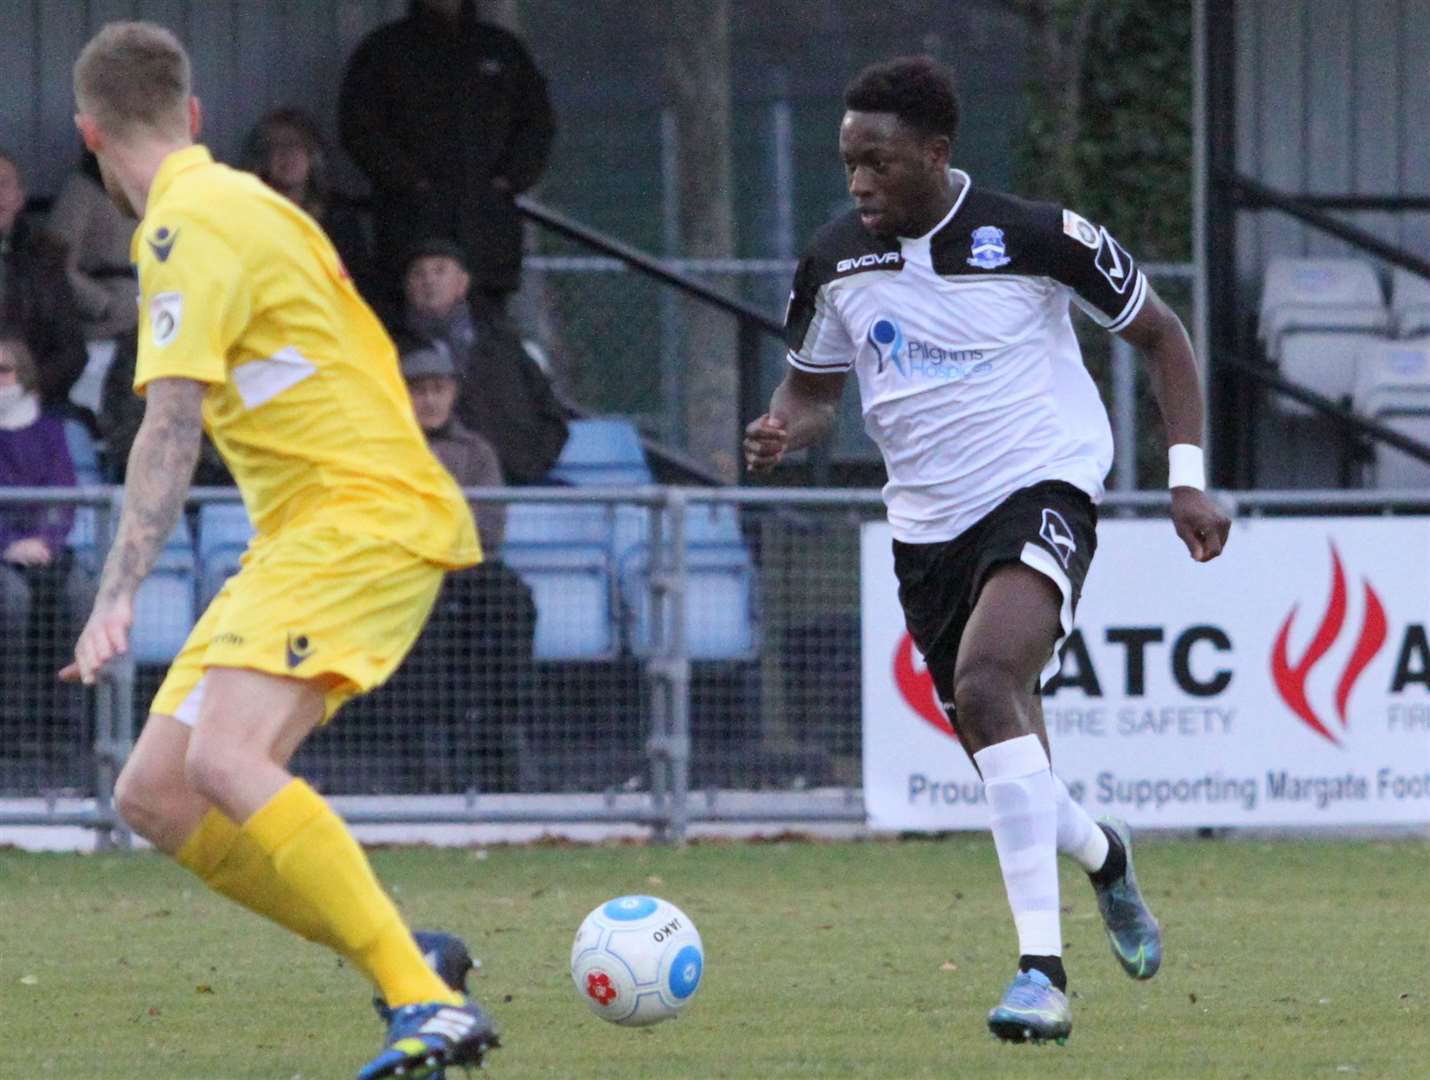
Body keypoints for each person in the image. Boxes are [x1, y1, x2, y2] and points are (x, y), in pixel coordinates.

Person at [744, 56, 1231, 1045]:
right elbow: (814, 390)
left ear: (935, 152)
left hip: (1040, 485)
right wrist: (779, 426)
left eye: (877, 162)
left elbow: (1164, 338)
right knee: (1006, 758)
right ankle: (1102, 857)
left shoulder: (1040, 236)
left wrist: (1184, 476)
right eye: (847, 163)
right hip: (925, 530)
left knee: (987, 677)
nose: (858, 183)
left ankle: (1039, 974)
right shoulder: (835, 260)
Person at [64, 22, 497, 1078]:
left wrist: (114, 592)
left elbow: (171, 423)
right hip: (308, 530)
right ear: (196, 117)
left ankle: (420, 1001)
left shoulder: (180, 227)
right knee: (156, 794)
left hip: (358, 516)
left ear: (87, 136)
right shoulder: (245, 200)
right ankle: (404, 956)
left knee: (225, 758)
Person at [383, 336, 535, 793]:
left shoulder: (478, 452)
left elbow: (489, 526)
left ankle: (504, 732)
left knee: (513, 603)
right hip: (408, 569)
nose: (429, 400)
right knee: (422, 620)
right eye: (419, 390)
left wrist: (430, 523)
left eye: (438, 389)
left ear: (453, 392)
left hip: (470, 566)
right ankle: (429, 744)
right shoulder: (386, 447)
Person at [338, 0, 555, 309]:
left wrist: (507, 181)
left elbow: (537, 125)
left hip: (487, 238)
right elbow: (359, 128)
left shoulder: (502, 49)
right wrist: (411, 184)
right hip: (410, 233)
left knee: (487, 340)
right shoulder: (385, 50)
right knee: (410, 338)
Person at [401, 236, 568, 483]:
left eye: (440, 270)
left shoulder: (502, 343)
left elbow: (551, 412)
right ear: (407, 288)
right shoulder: (388, 347)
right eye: (418, 274)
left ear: (462, 283)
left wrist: (528, 463)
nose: (429, 281)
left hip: (517, 477)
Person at [0, 333, 91, 739]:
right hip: (4, 550)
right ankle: (13, 720)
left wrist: (46, 543)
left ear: (25, 375)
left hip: (43, 549)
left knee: (81, 595)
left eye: (4, 371)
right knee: (12, 602)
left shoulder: (52, 432)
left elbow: (64, 495)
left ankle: (68, 723)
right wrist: (8, 545)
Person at [239, 108, 373, 299]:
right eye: (276, 146)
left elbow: (357, 280)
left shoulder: (337, 216)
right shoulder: (248, 212)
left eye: (295, 144)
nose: (287, 154)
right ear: (263, 160)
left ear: (312, 156)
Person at [46, 150, 140, 414]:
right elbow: (55, 262)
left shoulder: (157, 187)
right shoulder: (83, 190)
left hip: (151, 329)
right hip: (102, 335)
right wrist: (103, 304)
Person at [0, 151, 89, 413]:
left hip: (36, 402)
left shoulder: (46, 258)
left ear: (19, 197)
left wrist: (27, 390)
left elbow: (72, 351)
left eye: (3, 183)